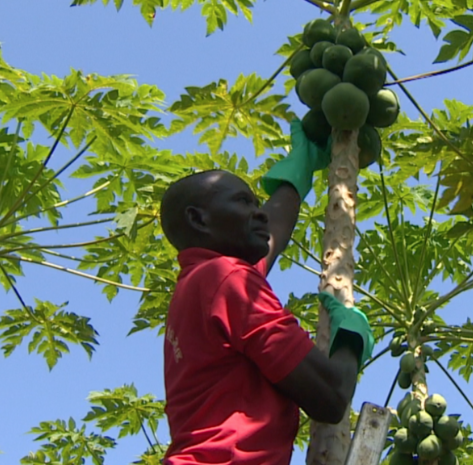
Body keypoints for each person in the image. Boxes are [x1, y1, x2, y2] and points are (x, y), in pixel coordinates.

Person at [158, 120, 375, 465]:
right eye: (243, 202)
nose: (259, 213)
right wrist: (351, 338)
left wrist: (298, 172)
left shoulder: (203, 282)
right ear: (199, 220)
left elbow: (270, 234)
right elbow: (330, 397)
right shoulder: (225, 278)